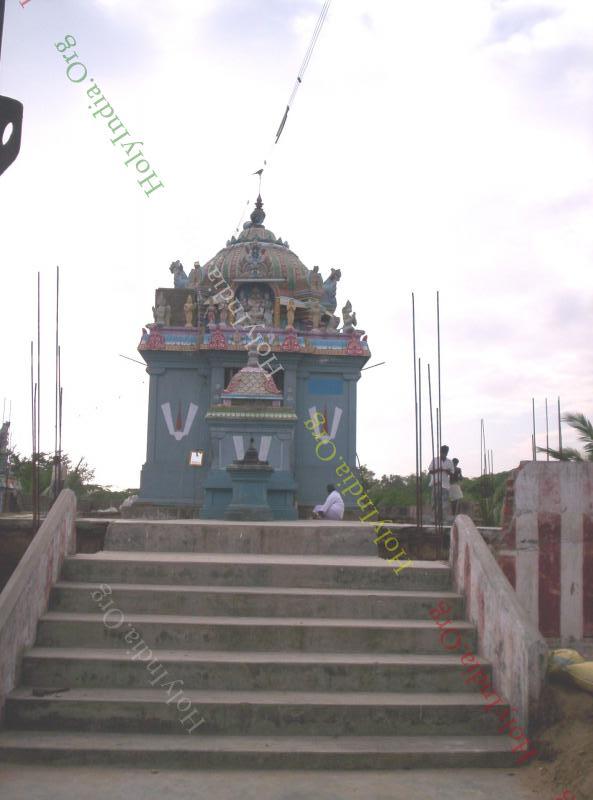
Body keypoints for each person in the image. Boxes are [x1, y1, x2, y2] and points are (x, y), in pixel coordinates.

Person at [428, 445, 454, 520]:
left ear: (447, 452)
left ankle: (443, 519)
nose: (444, 454)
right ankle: (434, 519)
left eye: (445, 452)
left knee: (444, 503)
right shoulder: (435, 460)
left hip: (445, 485)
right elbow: (430, 471)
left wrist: (447, 471)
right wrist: (438, 470)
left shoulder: (449, 462)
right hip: (436, 483)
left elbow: (452, 473)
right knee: (435, 502)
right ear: (440, 452)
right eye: (443, 452)